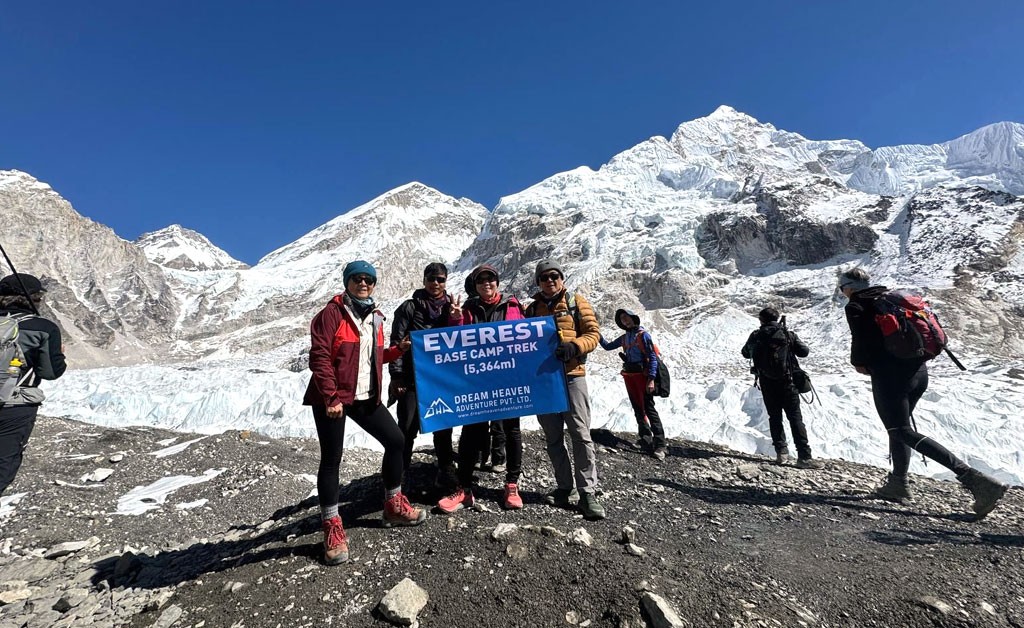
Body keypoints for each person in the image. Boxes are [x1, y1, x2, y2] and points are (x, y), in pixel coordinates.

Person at [838, 267, 1007, 519]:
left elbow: (860, 340)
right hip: (918, 372)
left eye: (843, 289)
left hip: (890, 375)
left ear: (849, 288)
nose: (843, 294)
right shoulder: (890, 297)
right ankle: (898, 483)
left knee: (899, 430)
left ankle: (976, 480)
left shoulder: (856, 306)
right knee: (901, 428)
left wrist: (859, 363)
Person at [303, 260, 426, 566]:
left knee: (396, 441)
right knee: (332, 459)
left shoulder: (376, 317)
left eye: (369, 280)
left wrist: (398, 351)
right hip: (332, 398)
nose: (363, 283)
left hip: (364, 397)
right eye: (357, 279)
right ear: (347, 282)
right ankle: (332, 527)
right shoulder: (330, 315)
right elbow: (319, 358)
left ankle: (393, 504)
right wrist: (331, 397)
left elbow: (372, 357)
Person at [437, 264, 526, 512]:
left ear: (497, 282)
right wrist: (455, 319)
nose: (486, 283)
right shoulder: (467, 309)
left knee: (512, 430)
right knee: (471, 432)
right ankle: (464, 490)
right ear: (475, 286)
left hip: (507, 380)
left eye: (491, 279)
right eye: (481, 280)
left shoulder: (513, 307)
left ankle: (511, 486)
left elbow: (527, 340)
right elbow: (455, 343)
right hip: (477, 383)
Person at [525, 260, 605, 520]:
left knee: (580, 434)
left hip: (572, 376)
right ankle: (564, 487)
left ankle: (587, 492)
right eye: (544, 277)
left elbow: (594, 333)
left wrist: (576, 346)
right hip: (544, 382)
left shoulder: (576, 302)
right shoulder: (531, 310)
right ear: (538, 282)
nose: (550, 280)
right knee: (552, 437)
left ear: (561, 278)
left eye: (554, 275)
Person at [388, 262, 459, 491]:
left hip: (441, 379)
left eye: (440, 279)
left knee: (443, 424)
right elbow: (396, 342)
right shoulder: (409, 308)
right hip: (411, 378)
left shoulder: (452, 308)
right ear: (424, 280)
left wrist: (456, 319)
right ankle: (398, 477)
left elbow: (460, 340)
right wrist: (396, 375)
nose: (436, 283)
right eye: (432, 279)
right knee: (406, 427)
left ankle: (445, 470)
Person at [0, 273, 66, 495]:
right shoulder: (43, 327)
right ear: (35, 298)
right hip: (14, 408)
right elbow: (50, 372)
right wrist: (60, 356)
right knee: (3, 467)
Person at [741, 307, 822, 469]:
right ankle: (804, 457)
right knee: (795, 418)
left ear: (761, 320)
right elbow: (804, 352)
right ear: (777, 318)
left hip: (767, 383)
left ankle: (781, 453)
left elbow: (745, 353)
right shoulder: (787, 334)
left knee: (774, 417)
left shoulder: (756, 336)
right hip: (788, 383)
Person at [599, 309, 667, 460]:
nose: (625, 321)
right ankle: (645, 439)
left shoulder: (643, 336)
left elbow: (652, 358)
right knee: (637, 407)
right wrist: (596, 334)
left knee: (649, 408)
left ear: (633, 318)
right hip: (630, 376)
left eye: (626, 317)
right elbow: (608, 346)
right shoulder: (625, 338)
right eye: (622, 319)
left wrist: (651, 379)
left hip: (643, 377)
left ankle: (660, 444)